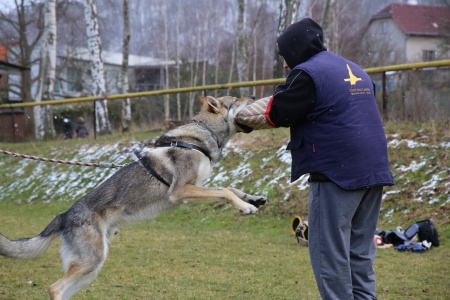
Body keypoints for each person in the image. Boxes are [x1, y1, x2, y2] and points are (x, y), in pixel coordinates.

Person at [265, 18, 395, 299]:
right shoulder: (356, 69)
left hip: (337, 173)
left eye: (285, 56)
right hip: (374, 170)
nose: (286, 65)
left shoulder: (307, 74)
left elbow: (279, 113)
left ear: (296, 50)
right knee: (358, 253)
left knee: (330, 257)